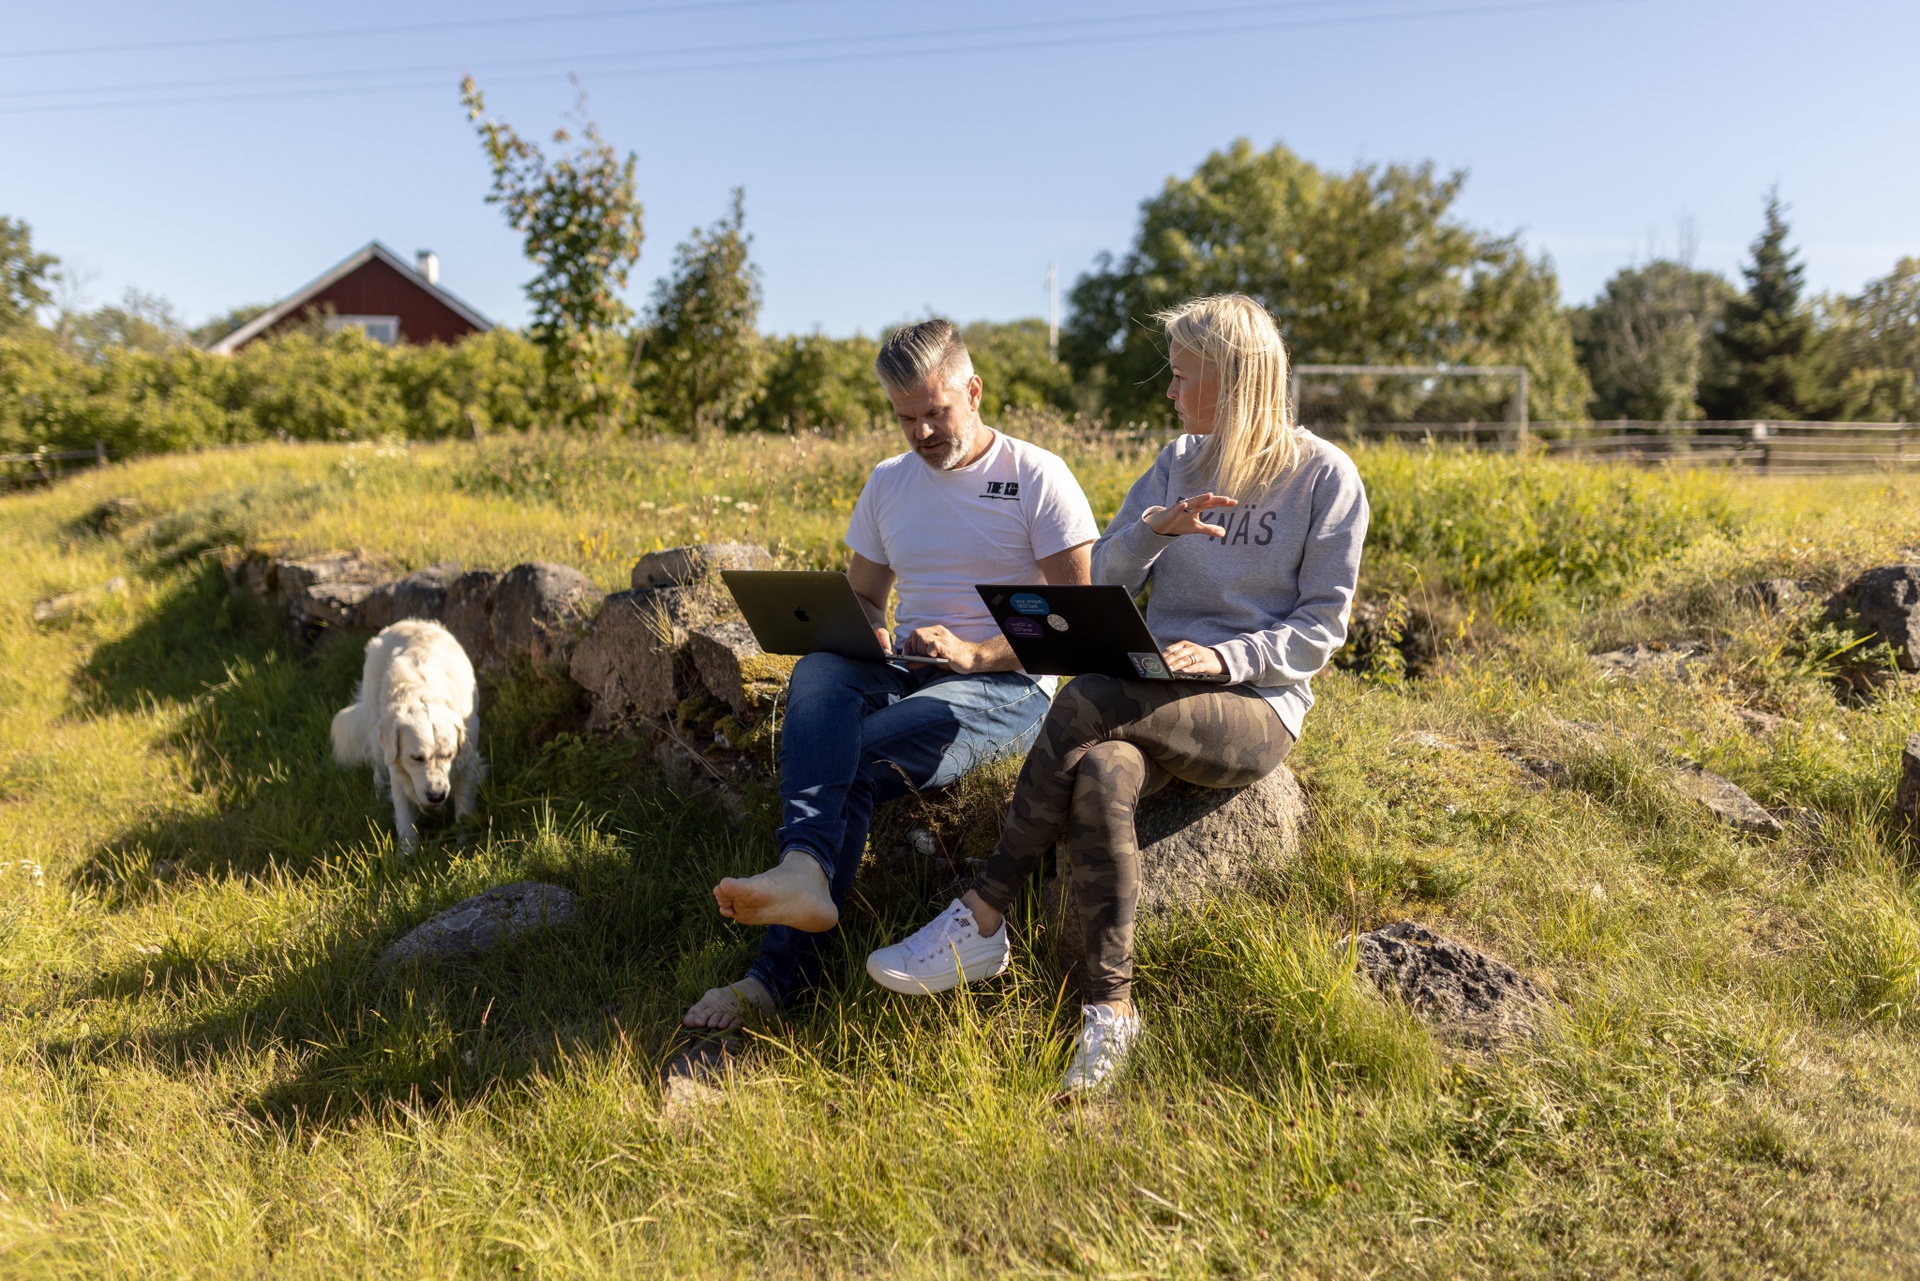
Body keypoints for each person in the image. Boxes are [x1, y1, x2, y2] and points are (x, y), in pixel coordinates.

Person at [865, 294, 1369, 1094]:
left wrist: (1224, 658)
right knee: (1101, 774)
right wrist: (1154, 532)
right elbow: (1099, 578)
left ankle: (984, 907)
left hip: (1255, 704)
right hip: (1153, 686)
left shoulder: (1324, 477)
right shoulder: (1177, 460)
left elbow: (1320, 629)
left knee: (1093, 692)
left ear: (1232, 380)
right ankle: (1111, 1014)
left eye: (1180, 377)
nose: (1170, 394)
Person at [683, 319, 1100, 1030]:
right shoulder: (888, 483)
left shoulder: (1037, 475)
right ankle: (803, 873)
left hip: (1005, 686)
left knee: (860, 754)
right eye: (905, 417)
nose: (921, 433)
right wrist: (870, 628)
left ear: (973, 391)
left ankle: (775, 976)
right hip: (909, 669)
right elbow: (867, 594)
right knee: (819, 666)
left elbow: (1077, 630)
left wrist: (973, 654)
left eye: (935, 413)